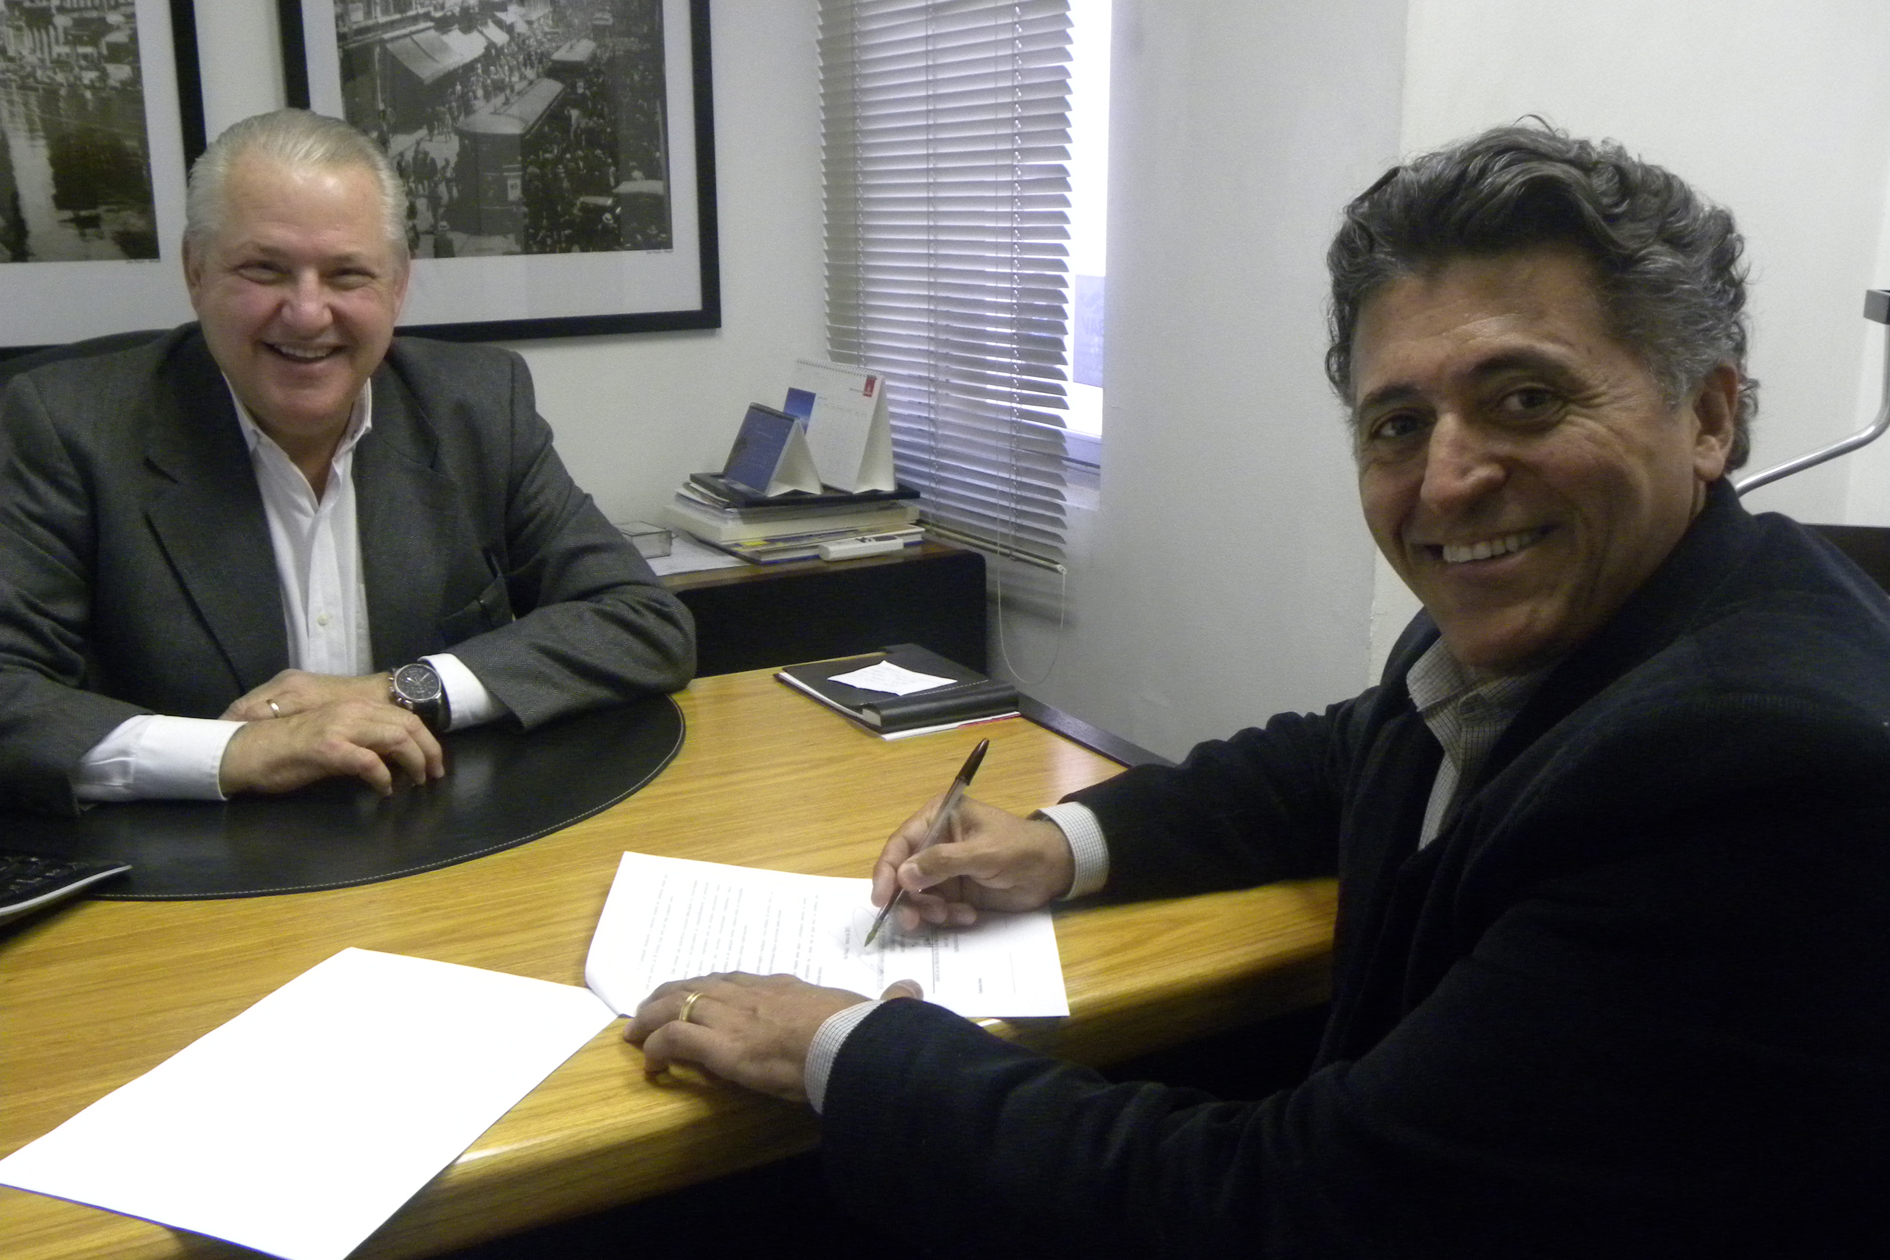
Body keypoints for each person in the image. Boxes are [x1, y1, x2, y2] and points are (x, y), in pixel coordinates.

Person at [625, 125, 1890, 1255]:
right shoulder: (1583, 623)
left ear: (1709, 417)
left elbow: (1299, 1210)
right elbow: (1349, 755)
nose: (1448, 480)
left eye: (1525, 398)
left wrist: (847, 1046)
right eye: (1398, 424)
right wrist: (1055, 846)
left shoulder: (1753, 773)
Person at [0, 110, 694, 815]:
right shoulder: (68, 426)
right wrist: (238, 751)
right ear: (196, 270)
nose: (307, 313)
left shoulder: (478, 406)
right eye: (264, 269)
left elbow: (641, 620)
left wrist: (402, 690)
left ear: (397, 285)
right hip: (192, 859)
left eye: (347, 274)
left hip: (442, 836)